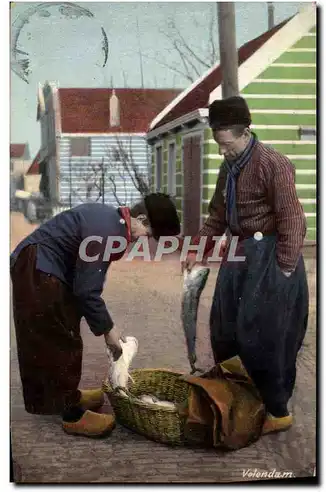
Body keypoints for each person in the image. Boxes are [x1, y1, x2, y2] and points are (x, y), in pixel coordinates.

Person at [182, 96, 309, 435]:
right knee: (223, 329)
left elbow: (293, 220)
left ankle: (278, 411)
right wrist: (198, 250)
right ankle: (241, 400)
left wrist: (283, 271)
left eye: (226, 145)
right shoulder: (229, 167)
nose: (223, 152)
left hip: (270, 255)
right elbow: (217, 216)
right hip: (238, 254)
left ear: (243, 133)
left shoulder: (273, 165)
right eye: (218, 146)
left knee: (264, 334)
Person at [10, 193, 180, 438]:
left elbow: (85, 284)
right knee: (58, 338)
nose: (146, 240)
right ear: (141, 219)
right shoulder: (108, 232)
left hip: (43, 266)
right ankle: (72, 416)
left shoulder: (111, 222)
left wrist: (102, 326)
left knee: (64, 328)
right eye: (149, 233)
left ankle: (69, 396)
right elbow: (87, 290)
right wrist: (108, 330)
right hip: (38, 267)